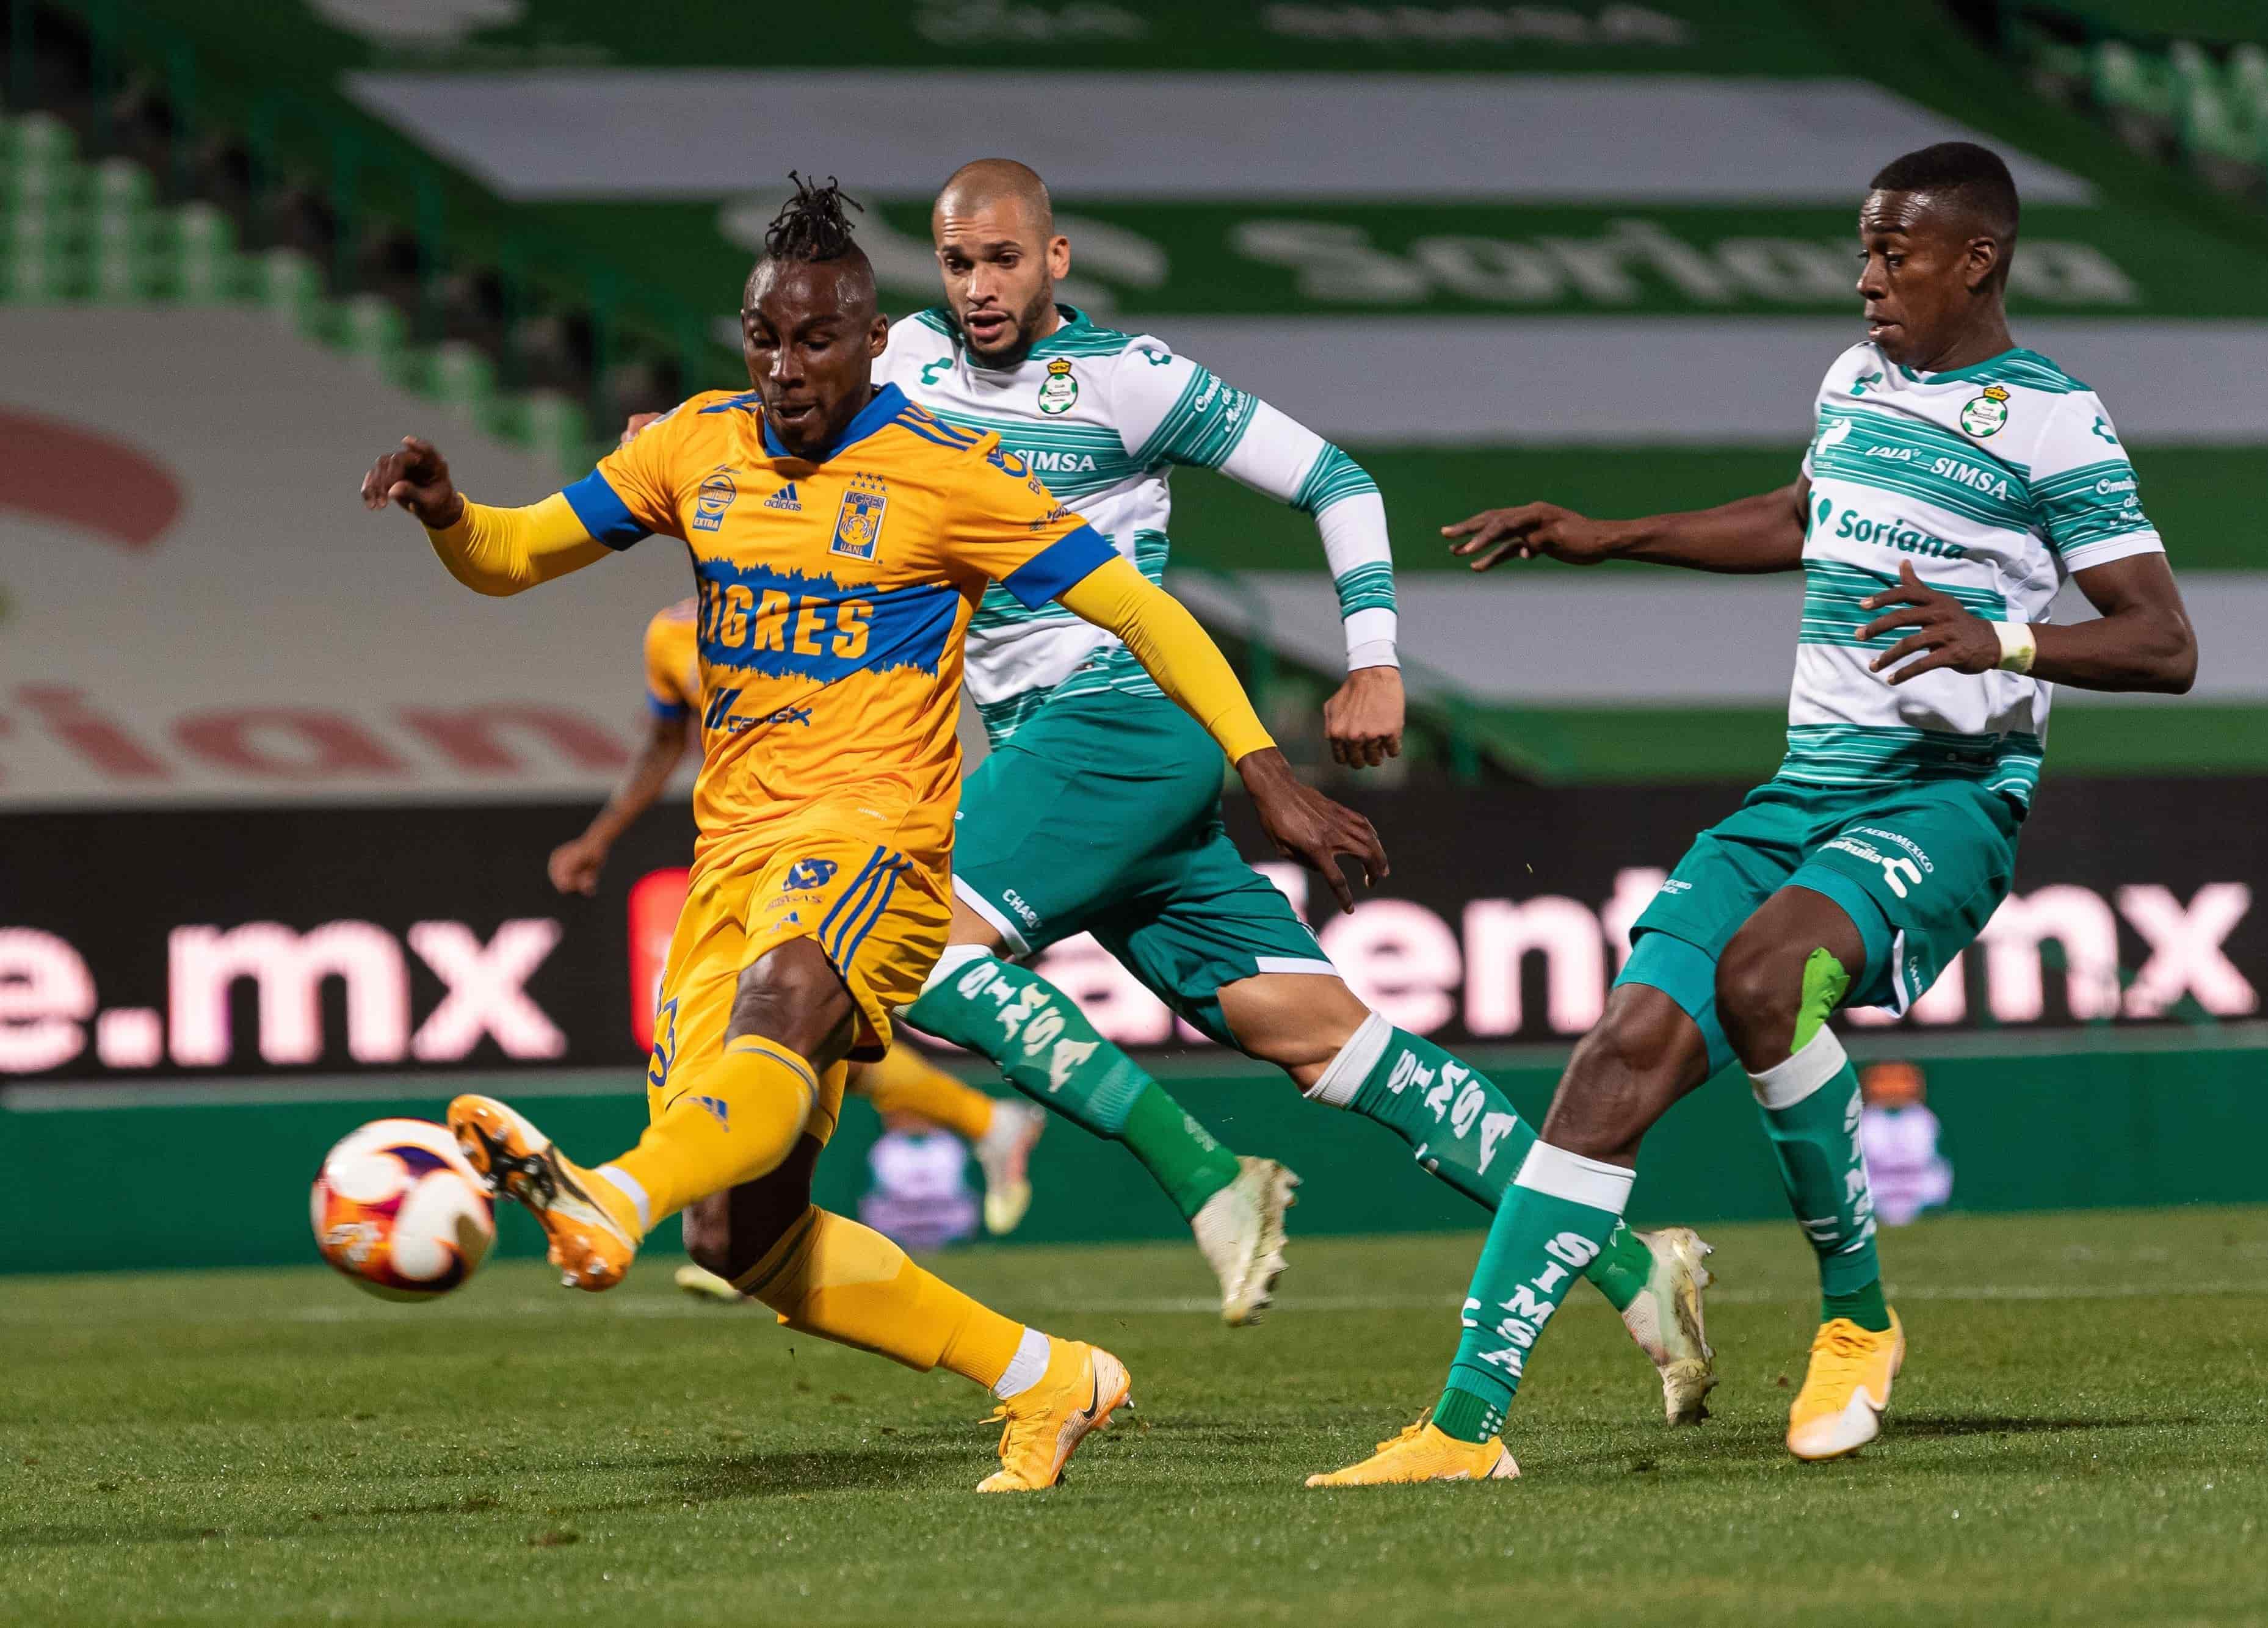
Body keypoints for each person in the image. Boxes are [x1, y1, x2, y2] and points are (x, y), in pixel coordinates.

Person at [358, 175, 1383, 1492]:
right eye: (765, 340)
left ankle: (609, 1195)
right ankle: (1047, 1377)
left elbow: (1145, 613)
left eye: (818, 341)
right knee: (743, 1235)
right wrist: (449, 513)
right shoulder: (692, 448)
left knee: (788, 998)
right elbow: (514, 553)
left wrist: (1267, 773)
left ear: (871, 337)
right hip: (731, 856)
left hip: (877, 845)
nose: (787, 369)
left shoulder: (950, 478)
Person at [760, 157, 1712, 1414]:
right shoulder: (905, 367)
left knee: (911, 936)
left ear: (1055, 260)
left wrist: (1372, 662)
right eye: (955, 263)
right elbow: (792, 420)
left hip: (1118, 720)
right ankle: (1641, 1267)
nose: (978, 286)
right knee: (1334, 1042)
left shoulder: (1131, 380)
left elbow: (1338, 483)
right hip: (1070, 765)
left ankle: (1203, 1170)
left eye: (1002, 259)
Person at [1314, 141, 2197, 1484]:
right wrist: (1612, 535)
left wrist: (2001, 641)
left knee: (1766, 973)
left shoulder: (2051, 420)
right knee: (1618, 1049)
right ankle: (1461, 1429)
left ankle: (1853, 1320)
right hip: (1801, 789)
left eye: (1893, 254)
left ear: (1976, 259)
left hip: (1945, 797)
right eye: (1863, 251)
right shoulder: (1854, 382)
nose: (1865, 280)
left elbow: (2161, 643)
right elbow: (1799, 515)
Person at [548, 598, 1049, 1292]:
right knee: (791, 1037)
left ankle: (725, 1206)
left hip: (851, 840)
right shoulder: (668, 634)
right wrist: (600, 838)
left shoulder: (827, 601)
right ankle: (985, 1124)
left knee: (790, 1028)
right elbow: (666, 743)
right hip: (745, 849)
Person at [1858, 1061, 1952, 1226]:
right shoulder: (1866, 1121)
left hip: (1916, 1187)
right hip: (1879, 1187)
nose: (1893, 1091)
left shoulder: (1923, 1119)